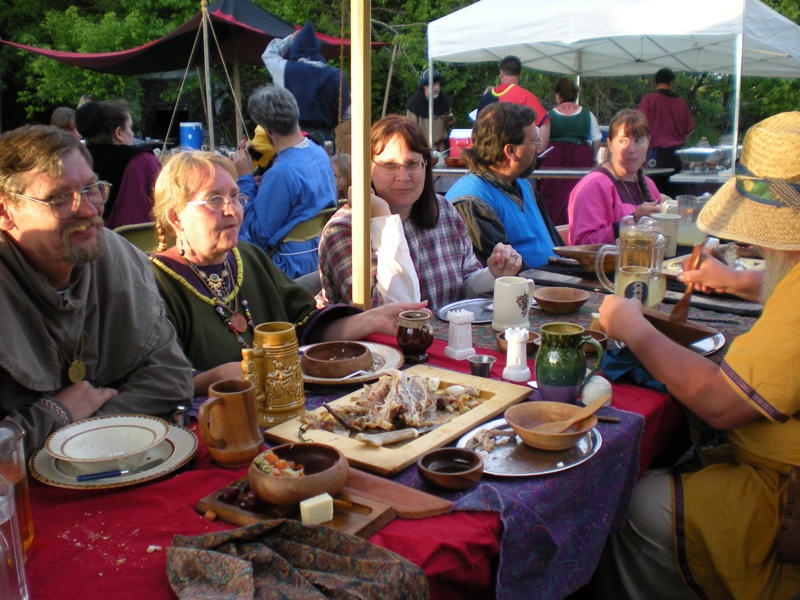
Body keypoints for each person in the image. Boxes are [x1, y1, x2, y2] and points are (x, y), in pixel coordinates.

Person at [595, 111, 800, 599]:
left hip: (785, 490)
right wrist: (742, 281)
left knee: (635, 502)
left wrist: (634, 328)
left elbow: (720, 402)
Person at [149, 151, 425, 394]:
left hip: (287, 400)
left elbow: (306, 328)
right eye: (214, 199)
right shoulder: (156, 282)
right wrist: (215, 378)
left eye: (235, 196)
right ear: (176, 216)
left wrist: (370, 320)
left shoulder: (248, 257)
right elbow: (157, 380)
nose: (232, 209)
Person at [0, 125, 193, 456]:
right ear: (5, 211)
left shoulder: (119, 257)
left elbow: (172, 379)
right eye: (60, 198)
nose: (89, 211)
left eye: (91, 188)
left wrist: (76, 433)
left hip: (125, 466)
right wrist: (54, 414)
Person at [318, 114, 521, 310]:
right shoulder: (344, 230)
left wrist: (493, 274)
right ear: (368, 169)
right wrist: (384, 218)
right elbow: (391, 313)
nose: (403, 176)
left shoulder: (443, 210)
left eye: (412, 164)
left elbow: (462, 286)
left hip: (445, 340)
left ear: (425, 167)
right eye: (390, 165)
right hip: (377, 344)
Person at [445, 102, 560, 270]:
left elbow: (556, 247)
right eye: (534, 142)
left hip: (552, 280)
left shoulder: (523, 185)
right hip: (525, 291)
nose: (538, 149)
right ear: (511, 151)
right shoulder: (471, 201)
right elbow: (503, 272)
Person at [237, 85, 337, 279]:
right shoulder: (318, 152)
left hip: (287, 266)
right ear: (295, 113)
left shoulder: (282, 172)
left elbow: (257, 236)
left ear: (266, 130)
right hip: (320, 254)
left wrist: (244, 179)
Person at [568, 109, 661, 245]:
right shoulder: (593, 185)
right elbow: (583, 244)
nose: (631, 149)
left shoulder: (649, 185)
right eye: (623, 141)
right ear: (610, 144)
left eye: (638, 140)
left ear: (648, 143)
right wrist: (632, 222)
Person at [75, 99, 161, 230]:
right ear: (119, 133)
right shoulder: (143, 161)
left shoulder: (77, 160)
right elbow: (166, 204)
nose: (132, 133)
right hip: (140, 244)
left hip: (91, 239)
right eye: (130, 127)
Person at [262, 22, 350, 147]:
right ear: (316, 49)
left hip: (292, 141)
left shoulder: (285, 69)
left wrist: (290, 39)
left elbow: (268, 55)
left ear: (295, 48)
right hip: (325, 143)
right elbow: (346, 114)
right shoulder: (337, 75)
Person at [537, 78, 602, 225]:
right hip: (580, 160)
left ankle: (554, 228)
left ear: (558, 95)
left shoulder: (548, 115)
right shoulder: (588, 115)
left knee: (552, 198)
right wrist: (595, 161)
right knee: (577, 194)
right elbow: (597, 141)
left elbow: (542, 141)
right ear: (574, 94)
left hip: (553, 161)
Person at [637, 67, 696, 196]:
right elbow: (689, 130)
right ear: (671, 83)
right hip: (676, 155)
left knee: (653, 195)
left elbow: (638, 126)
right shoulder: (681, 103)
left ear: (655, 82)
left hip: (654, 154)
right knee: (674, 195)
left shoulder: (648, 100)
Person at [476, 55, 550, 150]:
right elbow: (545, 123)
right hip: (515, 155)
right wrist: (539, 150)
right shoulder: (526, 97)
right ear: (519, 74)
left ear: (501, 73)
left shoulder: (486, 97)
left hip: (490, 152)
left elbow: (478, 128)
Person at [405, 68, 455, 152]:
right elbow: (410, 131)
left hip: (440, 149)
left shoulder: (444, 100)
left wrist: (450, 119)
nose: (436, 88)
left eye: (438, 84)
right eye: (433, 84)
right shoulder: (415, 103)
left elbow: (451, 124)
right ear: (425, 86)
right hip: (422, 149)